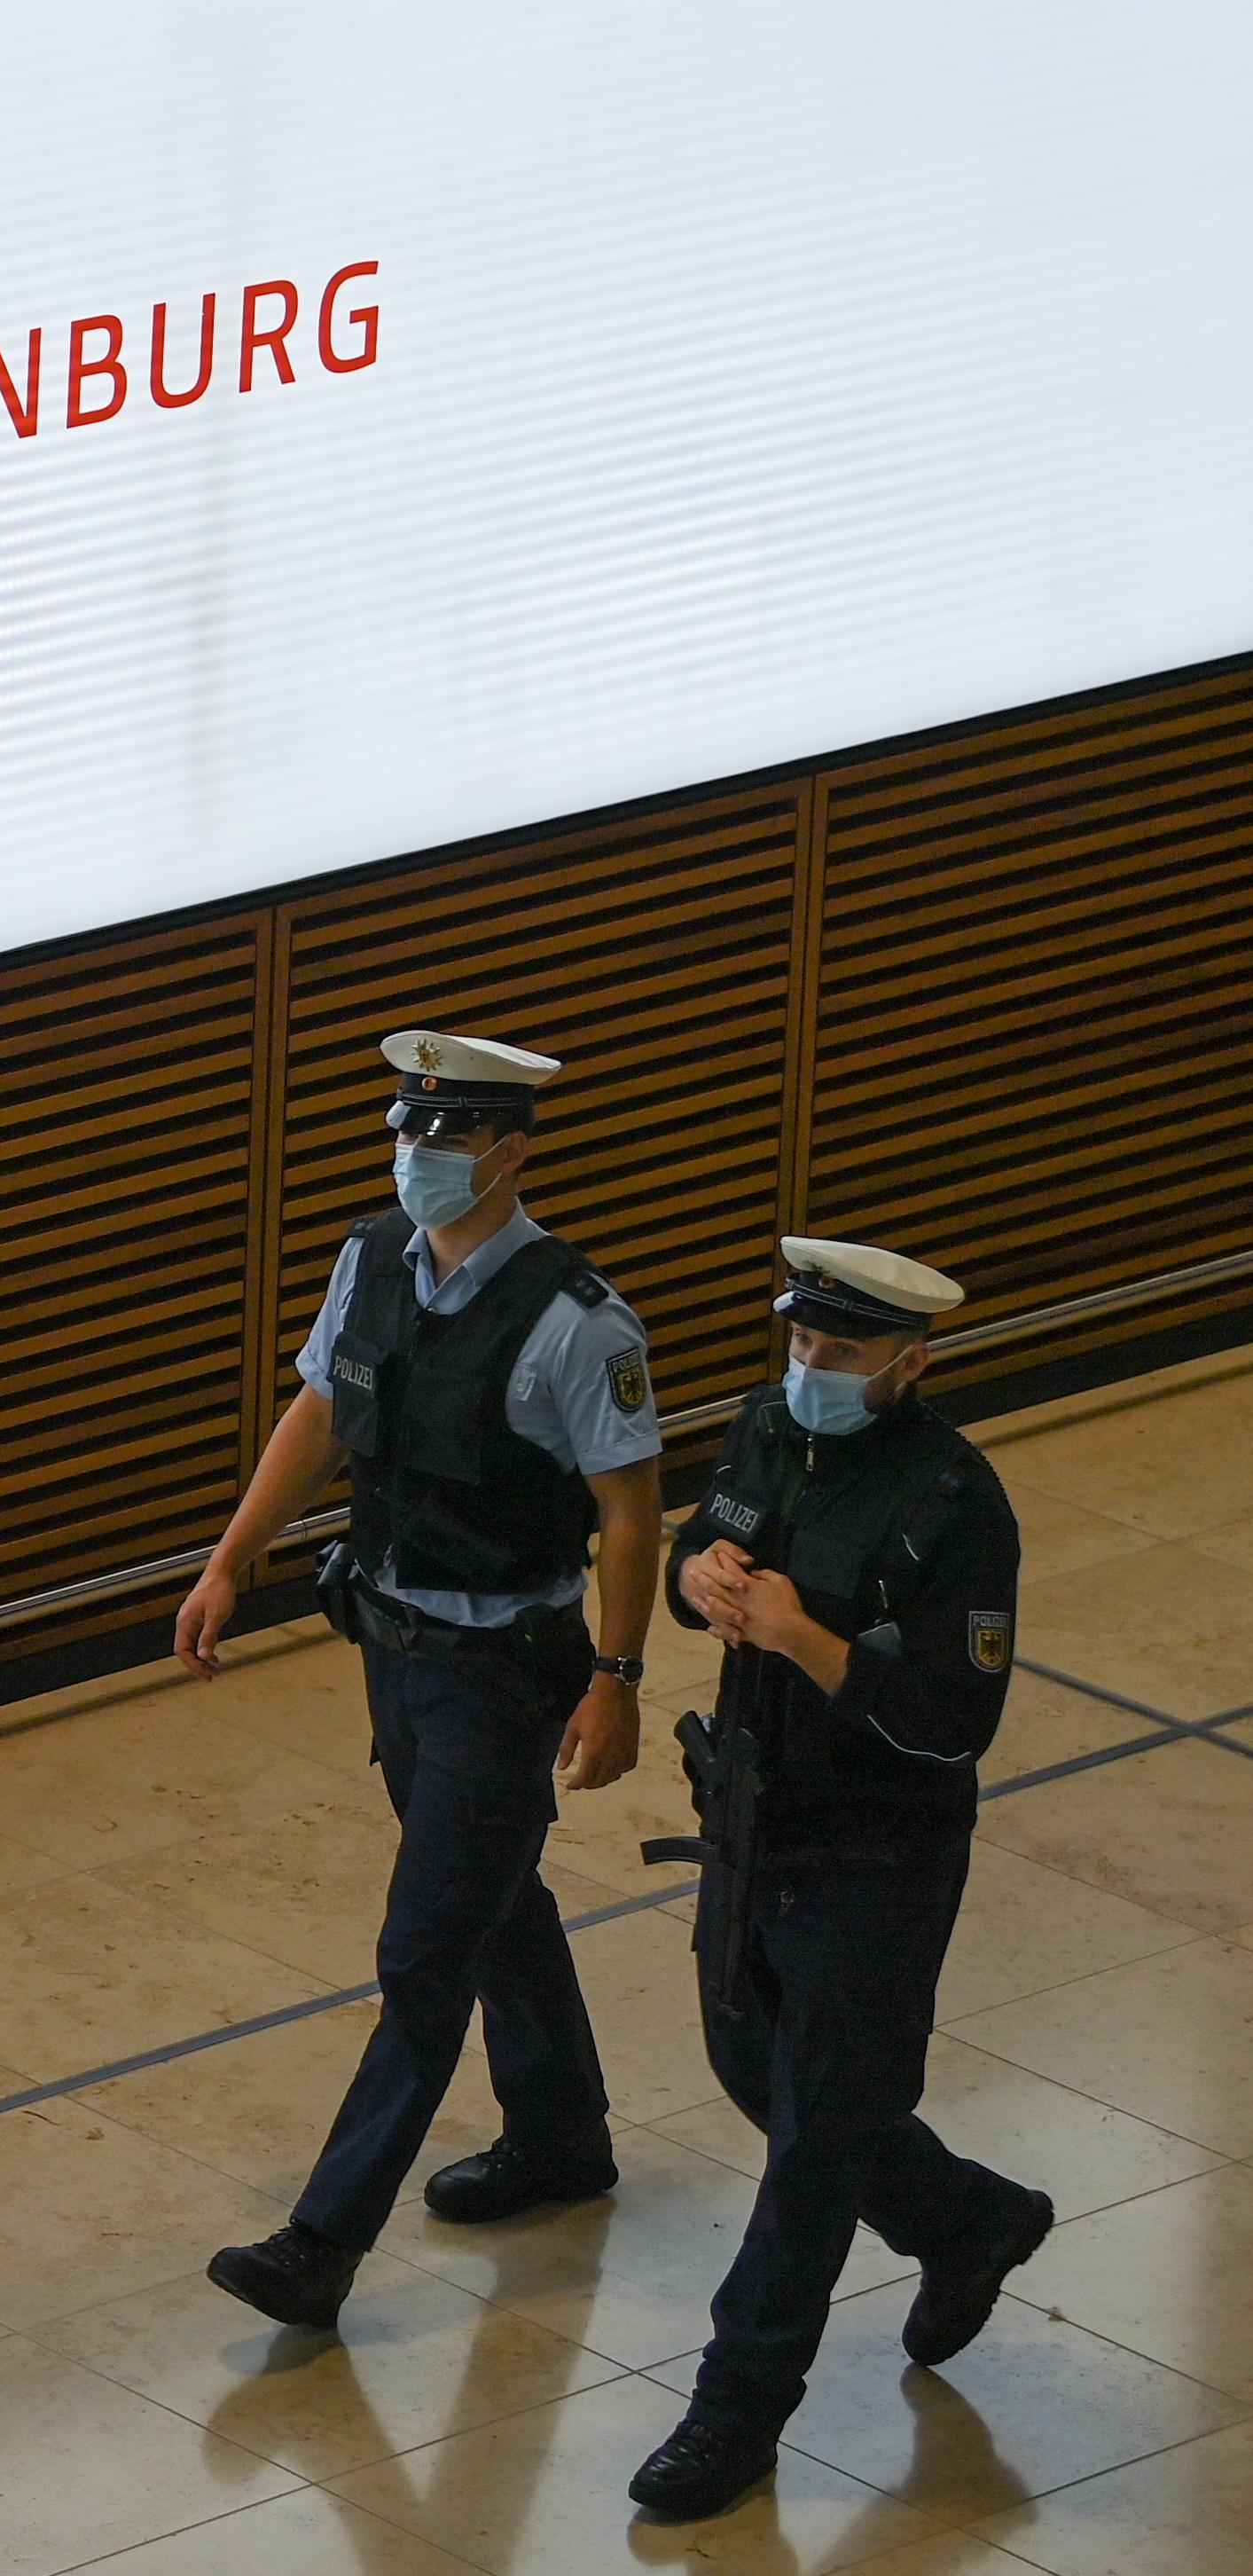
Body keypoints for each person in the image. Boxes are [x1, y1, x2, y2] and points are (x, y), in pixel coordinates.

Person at [178, 1029, 665, 2329]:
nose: (417, 1157)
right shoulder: (369, 1258)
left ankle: (320, 2242)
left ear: (510, 1153)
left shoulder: (576, 1322)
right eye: (406, 1132)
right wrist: (233, 1558)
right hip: (393, 1644)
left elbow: (627, 1510)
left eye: (445, 1139)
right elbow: (321, 1413)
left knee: (423, 1949)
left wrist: (615, 1677)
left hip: (507, 1668)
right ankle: (561, 2135)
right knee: (490, 1896)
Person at [625, 1238, 1045, 2523]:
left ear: (907, 1364)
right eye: (798, 1344)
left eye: (838, 1354)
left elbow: (950, 1720)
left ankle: (734, 2409)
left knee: (812, 2142)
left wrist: (807, 1643)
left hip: (877, 1850)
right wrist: (692, 1582)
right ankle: (967, 2219)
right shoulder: (765, 1426)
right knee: (759, 2073)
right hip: (756, 1820)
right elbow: (703, 1547)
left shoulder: (951, 1503)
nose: (806, 1368)